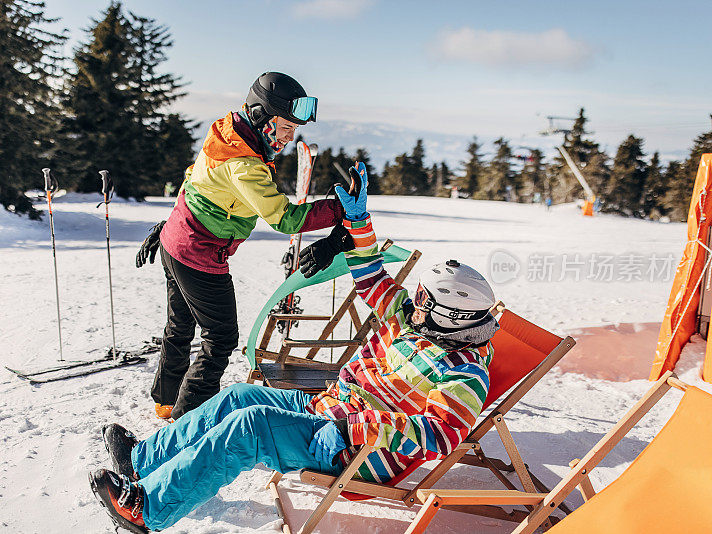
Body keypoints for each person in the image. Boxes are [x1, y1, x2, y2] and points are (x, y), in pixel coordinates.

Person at [91, 162, 499, 533]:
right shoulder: (411, 319)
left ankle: (148, 509)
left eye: (426, 297)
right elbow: (372, 275)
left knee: (250, 427)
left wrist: (354, 427)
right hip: (331, 408)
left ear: (453, 315)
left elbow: (440, 433)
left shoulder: (465, 372)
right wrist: (357, 221)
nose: (415, 299)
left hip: (352, 449)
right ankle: (143, 459)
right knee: (240, 396)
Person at [135, 72, 351, 421]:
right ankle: (186, 420)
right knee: (220, 339)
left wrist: (169, 226)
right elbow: (285, 219)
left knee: (180, 326)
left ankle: (165, 399)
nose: (289, 137)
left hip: (176, 240)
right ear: (263, 119)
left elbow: (194, 177)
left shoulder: (227, 132)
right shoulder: (245, 165)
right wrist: (339, 208)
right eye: (286, 127)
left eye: (294, 130)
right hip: (199, 254)